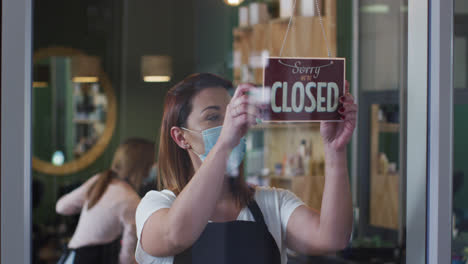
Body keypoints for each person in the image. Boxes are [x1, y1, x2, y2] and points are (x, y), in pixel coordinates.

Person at [135, 73, 357, 264]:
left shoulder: (272, 203)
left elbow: (333, 238)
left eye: (231, 114)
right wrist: (224, 143)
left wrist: (334, 150)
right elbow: (175, 235)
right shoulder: (155, 205)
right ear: (181, 137)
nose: (230, 124)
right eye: (213, 117)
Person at [56, 138, 155, 264]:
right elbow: (126, 257)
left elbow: (61, 207)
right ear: (144, 167)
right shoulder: (131, 200)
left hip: (71, 256)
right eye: (152, 164)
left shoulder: (99, 181)